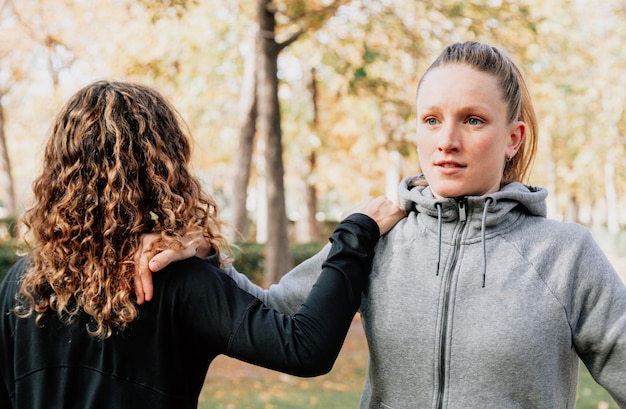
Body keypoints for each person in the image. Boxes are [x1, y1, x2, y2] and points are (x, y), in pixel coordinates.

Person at [143, 41, 626, 408]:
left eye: (473, 120)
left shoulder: (565, 254)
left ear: (513, 138)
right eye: (432, 120)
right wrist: (207, 255)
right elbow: (273, 312)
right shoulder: (379, 240)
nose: (448, 141)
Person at [0, 80, 406, 409]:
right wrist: (356, 235)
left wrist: (205, 252)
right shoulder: (176, 280)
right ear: (164, 166)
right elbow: (304, 348)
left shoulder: (23, 281)